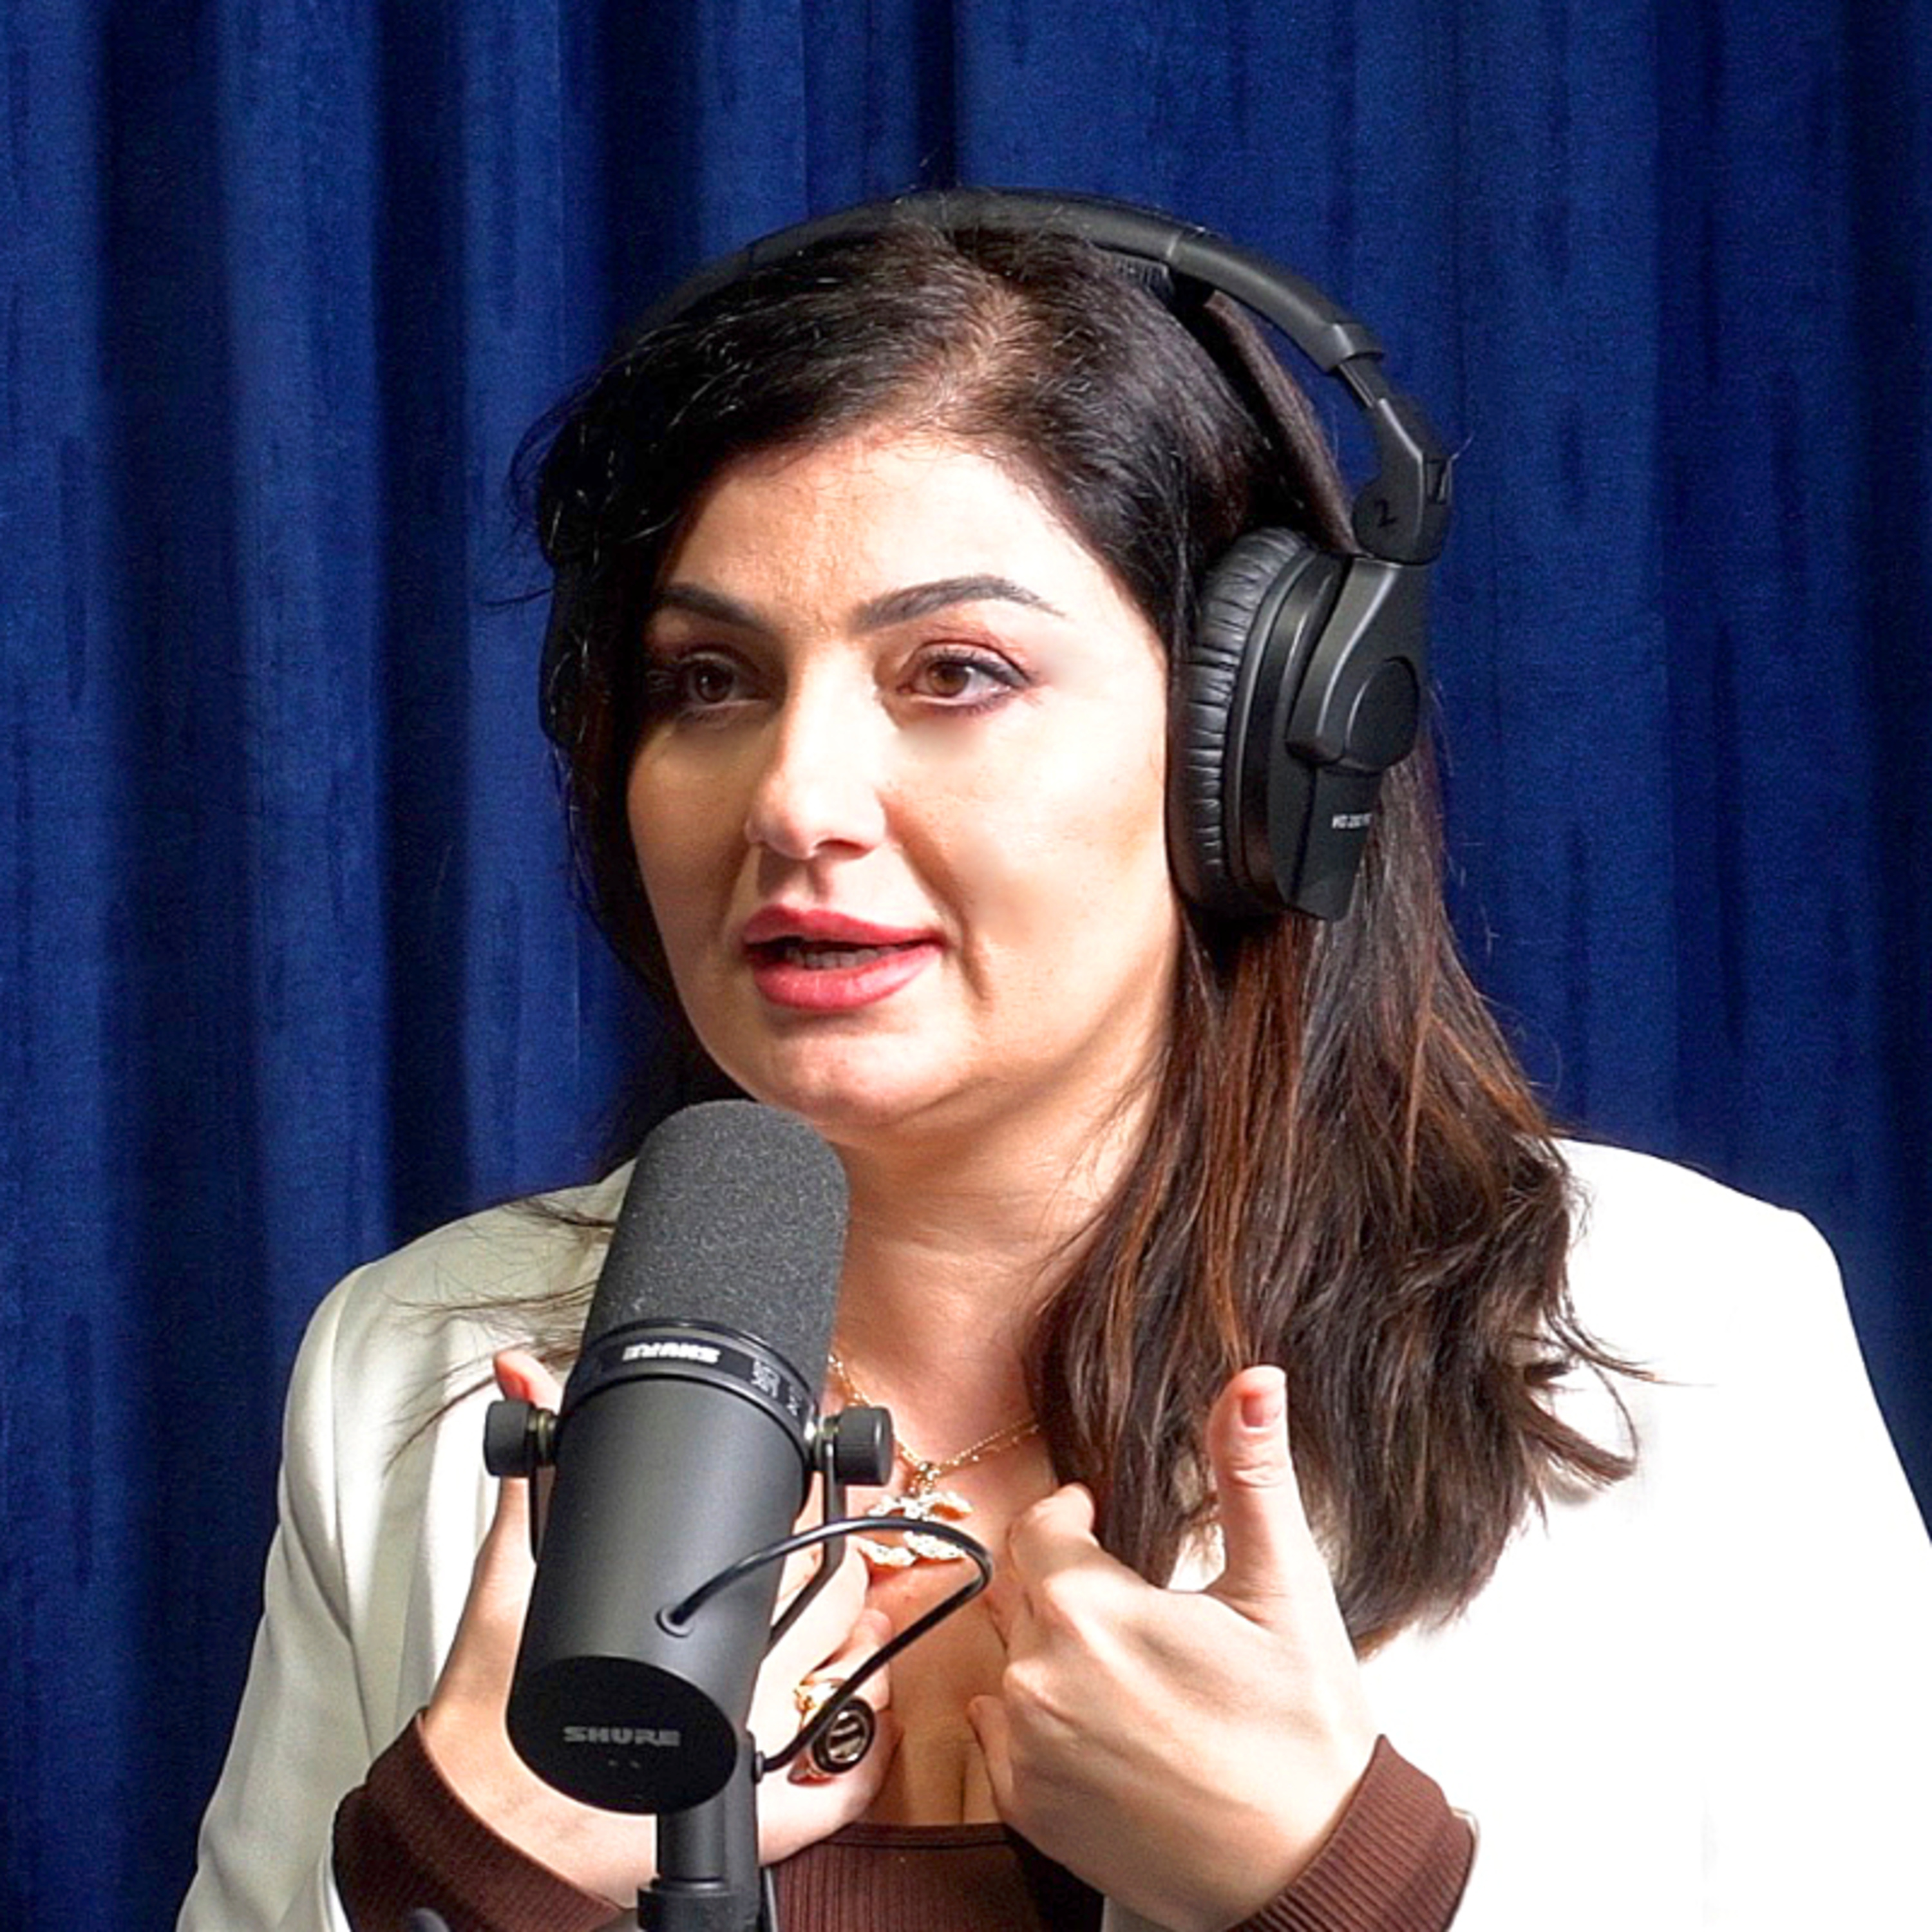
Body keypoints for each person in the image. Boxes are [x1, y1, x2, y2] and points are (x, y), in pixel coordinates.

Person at [178, 194, 1932, 1932]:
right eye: (709, 680)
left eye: (954, 672)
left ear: (1254, 755)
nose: (794, 801)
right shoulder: (416, 1365)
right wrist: (467, 1875)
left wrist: (1345, 1890)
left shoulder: (1672, 1337)